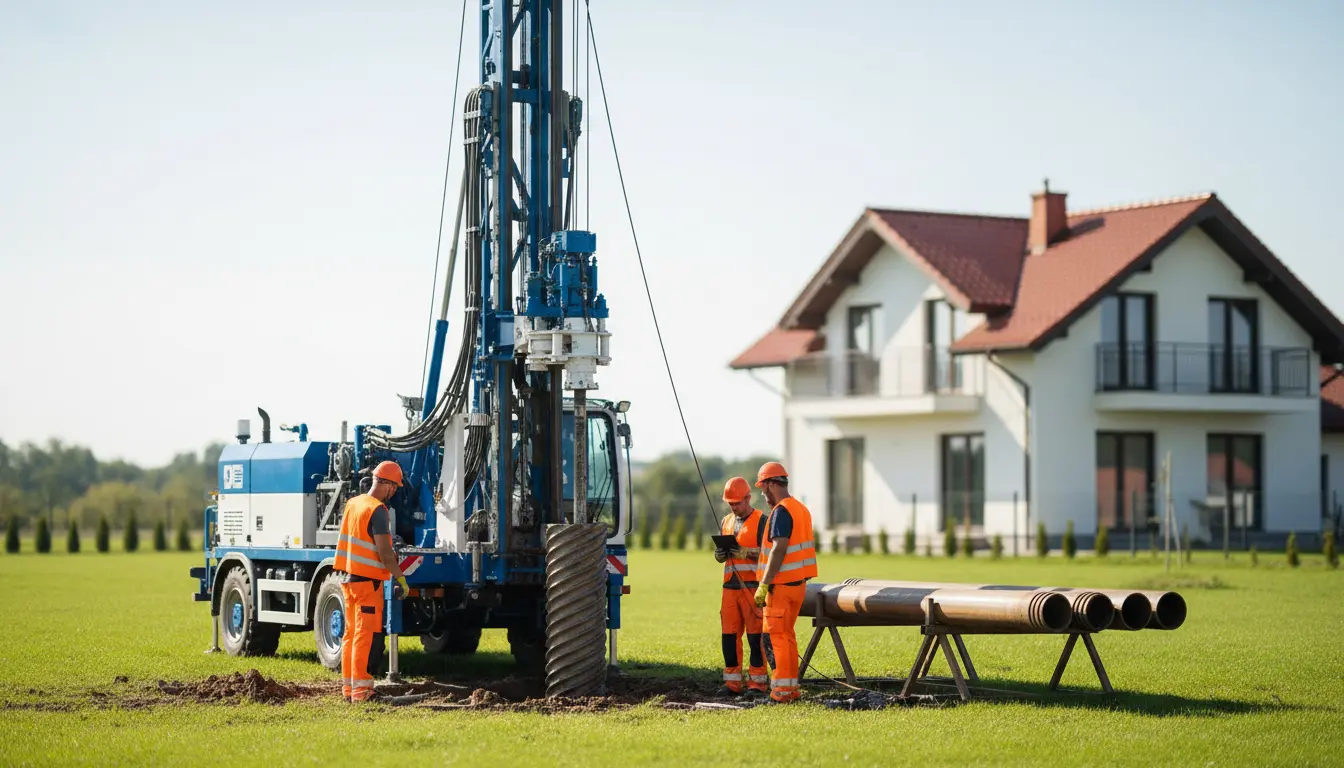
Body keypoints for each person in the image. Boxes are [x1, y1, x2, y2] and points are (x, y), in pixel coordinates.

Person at [334, 460, 411, 702]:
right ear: (386, 484)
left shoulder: (353, 504)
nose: (395, 492)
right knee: (363, 637)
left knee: (350, 635)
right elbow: (385, 554)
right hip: (368, 584)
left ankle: (349, 689)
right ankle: (362, 692)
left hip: (349, 580)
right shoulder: (378, 510)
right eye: (395, 487)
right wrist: (401, 578)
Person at [752, 461, 818, 703]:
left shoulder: (781, 511)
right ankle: (790, 689)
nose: (762, 493)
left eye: (763, 487)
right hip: (798, 587)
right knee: (787, 637)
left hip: (779, 588)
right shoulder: (800, 509)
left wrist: (764, 584)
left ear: (771, 484)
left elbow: (779, 549)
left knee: (777, 639)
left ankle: (781, 692)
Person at [713, 476, 768, 696]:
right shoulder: (726, 521)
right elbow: (723, 557)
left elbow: (769, 554)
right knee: (728, 636)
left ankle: (757, 684)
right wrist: (719, 554)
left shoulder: (762, 521)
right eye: (731, 503)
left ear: (748, 498)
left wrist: (743, 552)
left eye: (737, 503)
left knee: (755, 637)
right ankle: (732, 683)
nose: (734, 507)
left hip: (753, 588)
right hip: (729, 589)